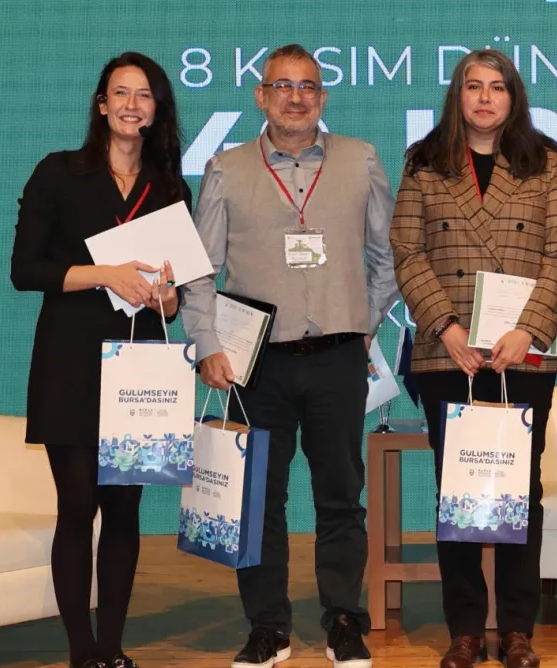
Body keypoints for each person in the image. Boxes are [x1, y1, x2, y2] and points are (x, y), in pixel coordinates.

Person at [179, 44, 397, 668]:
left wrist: (363, 322)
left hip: (338, 358)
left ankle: (344, 622)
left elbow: (387, 257)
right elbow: (200, 269)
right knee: (259, 501)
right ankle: (267, 628)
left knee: (341, 497)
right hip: (256, 363)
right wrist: (207, 345)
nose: (295, 98)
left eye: (307, 87)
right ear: (261, 96)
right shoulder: (226, 167)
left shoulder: (360, 159)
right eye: (282, 86)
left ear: (322, 97)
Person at [389, 49, 557, 668]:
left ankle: (519, 629)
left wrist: (528, 330)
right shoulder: (423, 163)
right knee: (458, 490)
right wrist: (446, 327)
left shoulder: (544, 163)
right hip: (450, 353)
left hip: (521, 353)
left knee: (523, 489)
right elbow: (406, 250)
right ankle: (466, 630)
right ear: (458, 95)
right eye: (473, 86)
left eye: (497, 87)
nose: (485, 98)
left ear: (513, 98)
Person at [11, 52, 190, 668]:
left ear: (157, 110)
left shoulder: (170, 188)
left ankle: (111, 647)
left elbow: (175, 296)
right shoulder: (59, 173)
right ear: (101, 103)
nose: (131, 105)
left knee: (124, 510)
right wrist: (105, 273)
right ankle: (80, 651)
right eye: (121, 93)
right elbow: (25, 270)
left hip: (140, 369)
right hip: (70, 363)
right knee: (77, 506)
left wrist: (169, 297)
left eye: (144, 95)